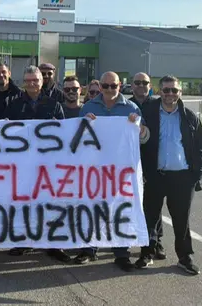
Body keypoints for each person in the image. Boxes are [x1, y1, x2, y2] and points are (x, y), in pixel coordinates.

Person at [78, 71, 149, 271]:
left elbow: (143, 139)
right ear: (100, 87)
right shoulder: (88, 107)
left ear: (120, 86)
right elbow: (77, 136)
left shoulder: (131, 108)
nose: (109, 89)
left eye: (114, 86)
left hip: (120, 170)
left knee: (120, 209)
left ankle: (121, 252)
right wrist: (83, 124)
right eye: (105, 86)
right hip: (94, 169)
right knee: (93, 208)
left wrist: (138, 128)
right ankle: (89, 249)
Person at [136, 75, 202, 276]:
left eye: (174, 90)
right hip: (155, 175)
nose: (170, 94)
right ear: (159, 91)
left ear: (180, 92)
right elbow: (138, 142)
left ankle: (185, 258)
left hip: (182, 177)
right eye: (166, 90)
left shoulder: (189, 117)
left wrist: (196, 174)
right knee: (149, 217)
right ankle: (146, 253)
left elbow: (200, 146)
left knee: (181, 221)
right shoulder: (148, 113)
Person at [5, 66, 68, 262]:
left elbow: (65, 133)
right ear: (23, 82)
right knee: (25, 202)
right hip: (23, 163)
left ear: (42, 81)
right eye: (28, 80)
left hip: (48, 164)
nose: (32, 83)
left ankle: (54, 243)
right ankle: (24, 240)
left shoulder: (53, 105)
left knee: (51, 203)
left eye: (35, 80)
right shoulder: (14, 105)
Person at [128, 71, 165, 259]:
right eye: (137, 82)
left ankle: (156, 242)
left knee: (153, 204)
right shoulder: (125, 106)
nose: (141, 85)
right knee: (132, 202)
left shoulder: (158, 105)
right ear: (131, 85)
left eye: (145, 82)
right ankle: (130, 238)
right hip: (129, 161)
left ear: (150, 86)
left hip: (153, 161)